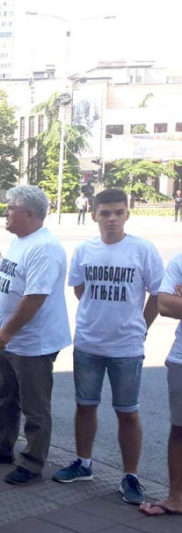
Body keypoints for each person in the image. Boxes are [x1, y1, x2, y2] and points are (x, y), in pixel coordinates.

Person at [53, 189, 163, 505]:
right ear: (94, 216)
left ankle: (130, 476)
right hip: (88, 342)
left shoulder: (143, 249)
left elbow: (157, 293)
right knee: (84, 406)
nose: (112, 219)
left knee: (127, 412)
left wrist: (141, 327)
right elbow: (79, 289)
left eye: (118, 212)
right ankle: (83, 463)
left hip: (127, 347)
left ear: (127, 214)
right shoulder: (85, 249)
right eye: (105, 213)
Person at [0, 185, 71, 485]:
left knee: (34, 406)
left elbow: (35, 298)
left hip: (33, 343)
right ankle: (0, 446)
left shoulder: (44, 248)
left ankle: (32, 463)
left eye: (11, 207)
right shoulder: (21, 241)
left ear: (29, 214)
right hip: (13, 339)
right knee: (6, 396)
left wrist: (6, 332)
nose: (6, 212)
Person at [140, 250, 182, 516]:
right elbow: (165, 304)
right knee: (180, 430)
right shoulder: (180, 260)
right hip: (181, 359)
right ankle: (176, 498)